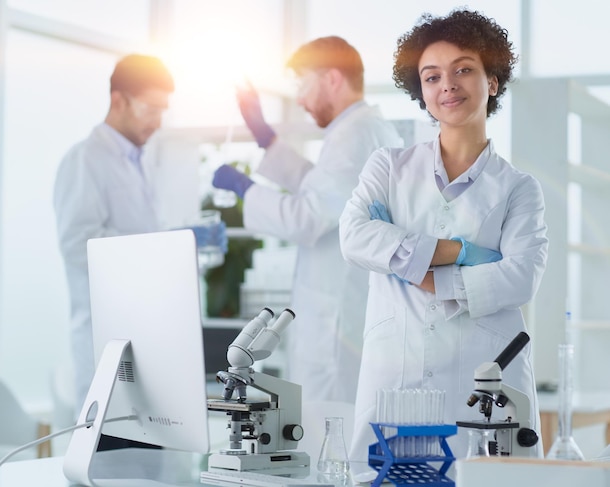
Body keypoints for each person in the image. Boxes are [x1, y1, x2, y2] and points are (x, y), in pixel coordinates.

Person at [338, 9, 549, 475]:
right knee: (384, 477)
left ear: (492, 82)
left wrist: (417, 266)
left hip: (483, 378)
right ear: (422, 93)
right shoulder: (387, 167)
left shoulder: (518, 188)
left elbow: (520, 278)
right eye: (431, 76)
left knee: (487, 477)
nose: (447, 84)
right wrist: (461, 254)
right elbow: (353, 237)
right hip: (396, 372)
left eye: (464, 70)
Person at [212, 36, 400, 403]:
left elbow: (308, 218)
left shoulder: (355, 135)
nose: (298, 98)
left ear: (332, 78)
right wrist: (266, 138)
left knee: (326, 434)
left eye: (302, 82)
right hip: (339, 313)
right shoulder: (361, 130)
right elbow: (323, 190)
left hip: (337, 324)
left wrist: (245, 187)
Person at [53, 54, 227, 421]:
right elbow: (78, 246)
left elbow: (141, 242)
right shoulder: (84, 159)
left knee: (149, 467)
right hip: (106, 344)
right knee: (111, 465)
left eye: (163, 110)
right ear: (118, 100)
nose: (158, 121)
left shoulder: (138, 162)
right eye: (150, 108)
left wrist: (177, 243)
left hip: (146, 340)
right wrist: (168, 241)